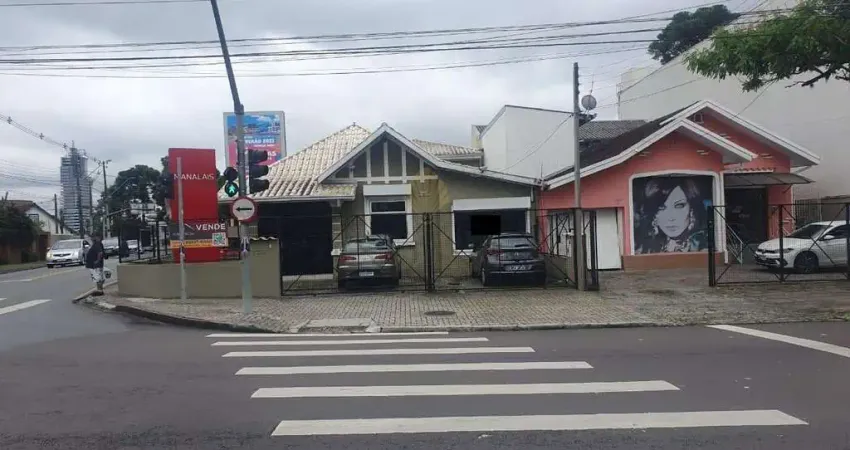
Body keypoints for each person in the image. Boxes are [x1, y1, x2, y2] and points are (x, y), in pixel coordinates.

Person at [634, 177, 709, 254]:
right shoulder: (643, 248)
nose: (671, 218)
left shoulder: (706, 245)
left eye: (679, 206)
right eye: (661, 208)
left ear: (692, 209)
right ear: (654, 215)